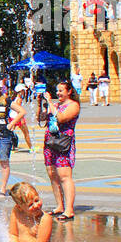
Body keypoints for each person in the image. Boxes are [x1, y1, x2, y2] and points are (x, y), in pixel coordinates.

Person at [44, 80, 81, 221]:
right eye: (57, 90)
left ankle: (69, 209)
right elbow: (42, 119)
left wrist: (50, 102)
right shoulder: (56, 105)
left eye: (61, 90)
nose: (58, 93)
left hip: (63, 143)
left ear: (69, 91)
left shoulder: (73, 106)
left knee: (64, 176)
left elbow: (60, 118)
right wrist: (41, 104)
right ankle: (59, 206)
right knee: (52, 174)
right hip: (50, 141)